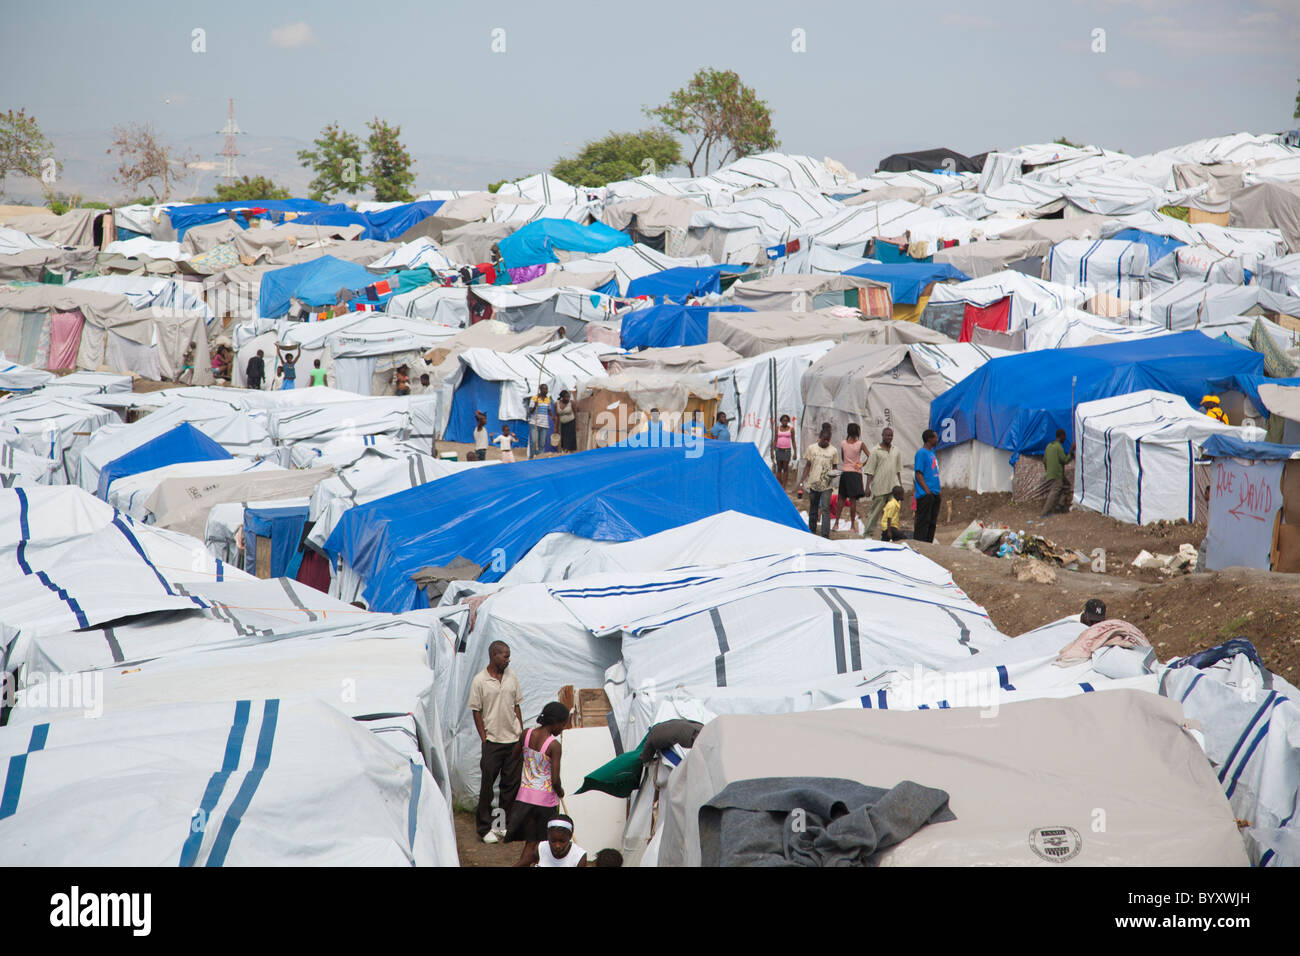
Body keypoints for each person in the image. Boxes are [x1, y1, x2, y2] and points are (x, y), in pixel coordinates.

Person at [468, 640, 523, 844]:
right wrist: (484, 740)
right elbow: (476, 711)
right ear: (494, 656)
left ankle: (500, 825)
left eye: (509, 655)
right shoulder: (479, 680)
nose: (508, 659)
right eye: (505, 656)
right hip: (492, 741)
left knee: (509, 787)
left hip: (513, 740)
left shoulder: (511, 676)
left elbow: (517, 705)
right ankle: (483, 828)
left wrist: (521, 732)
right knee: (488, 787)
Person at [507, 701, 569, 867]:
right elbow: (555, 779)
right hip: (544, 802)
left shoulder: (526, 734)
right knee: (541, 845)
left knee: (531, 841)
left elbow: (514, 758)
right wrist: (560, 790)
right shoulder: (554, 746)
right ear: (555, 722)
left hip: (524, 797)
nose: (562, 729)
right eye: (563, 725)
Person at [796, 423, 839, 538]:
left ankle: (825, 534)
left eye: (828, 440)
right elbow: (808, 466)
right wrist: (801, 481)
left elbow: (835, 467)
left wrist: (834, 474)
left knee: (825, 508)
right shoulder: (812, 449)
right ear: (820, 438)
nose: (826, 442)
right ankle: (812, 531)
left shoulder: (833, 451)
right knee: (813, 507)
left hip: (827, 485)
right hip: (814, 483)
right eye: (824, 440)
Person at [863, 427, 903, 537]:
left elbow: (898, 470)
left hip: (893, 488)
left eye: (891, 435)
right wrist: (867, 487)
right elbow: (870, 470)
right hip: (880, 487)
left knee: (892, 512)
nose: (889, 437)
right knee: (875, 512)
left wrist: (900, 485)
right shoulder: (875, 451)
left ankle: (888, 534)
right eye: (887, 435)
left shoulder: (896, 451)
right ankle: (868, 534)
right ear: (882, 435)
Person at [517, 815, 588, 868]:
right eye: (553, 841)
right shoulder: (541, 848)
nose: (557, 845)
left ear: (570, 836)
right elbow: (522, 863)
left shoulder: (579, 857)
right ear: (547, 836)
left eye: (562, 841)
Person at [913, 428, 942, 543]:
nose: (937, 439)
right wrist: (927, 491)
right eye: (935, 437)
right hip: (926, 494)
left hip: (935, 492)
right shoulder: (921, 453)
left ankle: (928, 543)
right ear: (929, 439)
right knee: (923, 521)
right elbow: (918, 473)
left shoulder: (932, 453)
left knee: (932, 522)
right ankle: (920, 543)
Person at [838, 423, 866, 533]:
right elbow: (870, 455)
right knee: (853, 501)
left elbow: (842, 457)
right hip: (855, 473)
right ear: (858, 432)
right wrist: (862, 464)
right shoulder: (860, 444)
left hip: (845, 472)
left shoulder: (843, 443)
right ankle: (852, 526)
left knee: (841, 499)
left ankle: (836, 523)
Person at [1041, 429, 1075, 517]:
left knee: (1066, 486)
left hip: (1051, 473)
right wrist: (1071, 451)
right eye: (1065, 437)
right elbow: (1065, 460)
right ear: (1062, 436)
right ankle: (1045, 512)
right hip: (1057, 474)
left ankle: (1060, 505)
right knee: (1055, 491)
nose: (1065, 439)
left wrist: (1048, 470)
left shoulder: (1049, 446)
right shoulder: (1058, 447)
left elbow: (1044, 460)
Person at [527, 384, 553, 458]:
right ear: (540, 389)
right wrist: (535, 406)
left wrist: (552, 416)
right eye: (544, 389)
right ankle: (532, 457)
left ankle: (539, 457)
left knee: (542, 443)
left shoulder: (548, 399)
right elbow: (530, 411)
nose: (546, 391)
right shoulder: (534, 398)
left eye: (546, 389)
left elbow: (549, 410)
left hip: (544, 424)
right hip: (534, 423)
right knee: (534, 441)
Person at [772, 414, 796, 488]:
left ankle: (784, 485)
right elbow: (775, 440)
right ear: (781, 421)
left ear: (788, 421)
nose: (784, 422)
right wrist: (772, 451)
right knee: (779, 468)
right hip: (779, 450)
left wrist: (795, 452)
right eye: (783, 420)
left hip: (786, 450)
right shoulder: (777, 428)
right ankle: (779, 484)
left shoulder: (791, 429)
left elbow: (793, 441)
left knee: (785, 468)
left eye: (786, 420)